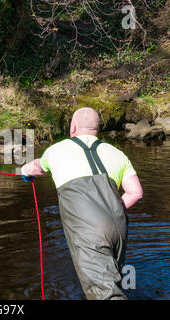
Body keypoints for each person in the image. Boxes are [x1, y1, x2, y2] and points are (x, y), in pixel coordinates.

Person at [21, 107, 143, 300]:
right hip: (118, 226)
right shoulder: (117, 154)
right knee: (113, 283)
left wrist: (25, 170)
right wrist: (110, 209)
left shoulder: (56, 150)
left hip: (89, 231)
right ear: (97, 129)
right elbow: (135, 193)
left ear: (73, 127)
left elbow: (36, 167)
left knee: (106, 296)